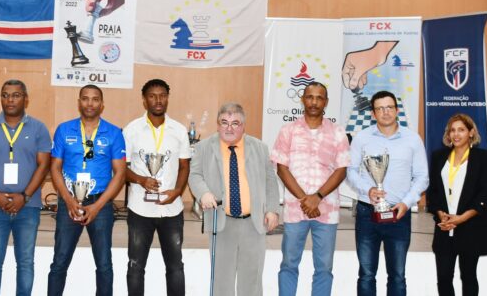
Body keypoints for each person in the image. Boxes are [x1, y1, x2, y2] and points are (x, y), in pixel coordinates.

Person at [189, 102, 280, 296]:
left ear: (243, 126)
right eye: (224, 122)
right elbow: (194, 175)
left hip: (254, 223)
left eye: (235, 123)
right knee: (222, 282)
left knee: (252, 282)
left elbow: (271, 180)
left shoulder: (260, 147)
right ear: (217, 124)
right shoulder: (204, 147)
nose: (229, 128)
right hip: (221, 223)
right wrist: (203, 192)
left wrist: (272, 209)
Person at [0, 79, 52, 296]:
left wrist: (24, 197)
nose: (10, 99)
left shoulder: (39, 128)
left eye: (16, 95)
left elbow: (44, 165)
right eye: (5, 95)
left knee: (25, 263)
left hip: (28, 207)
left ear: (26, 99)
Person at [271, 82, 350, 296]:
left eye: (319, 97)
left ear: (326, 102)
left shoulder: (338, 132)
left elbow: (341, 170)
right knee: (288, 264)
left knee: (324, 268)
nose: (314, 102)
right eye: (310, 97)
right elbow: (281, 168)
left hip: (327, 211)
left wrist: (317, 197)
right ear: (302, 99)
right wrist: (305, 199)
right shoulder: (288, 131)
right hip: (295, 210)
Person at [346, 90, 428, 296]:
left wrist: (407, 203)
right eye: (380, 108)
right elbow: (350, 171)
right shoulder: (362, 138)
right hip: (367, 213)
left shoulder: (412, 139)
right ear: (373, 114)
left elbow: (422, 177)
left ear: (397, 110)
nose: (385, 112)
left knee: (398, 275)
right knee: (366, 274)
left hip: (399, 213)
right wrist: (368, 190)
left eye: (389, 107)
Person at [47, 85, 127, 296]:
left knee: (104, 264)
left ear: (102, 104)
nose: (89, 103)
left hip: (100, 204)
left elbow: (120, 173)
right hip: (69, 203)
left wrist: (97, 206)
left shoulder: (114, 133)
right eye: (85, 99)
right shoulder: (64, 130)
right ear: (79, 102)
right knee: (59, 262)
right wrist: (68, 199)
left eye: (94, 99)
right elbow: (54, 167)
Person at [122, 79, 191, 295]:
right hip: (140, 209)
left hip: (171, 210)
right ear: (144, 100)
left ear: (168, 98)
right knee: (135, 266)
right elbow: (120, 169)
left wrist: (178, 191)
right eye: (152, 95)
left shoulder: (179, 130)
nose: (158, 100)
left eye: (162, 95)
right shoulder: (131, 130)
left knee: (175, 267)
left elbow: (184, 166)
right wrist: (141, 180)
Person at [424, 114, 487, 296]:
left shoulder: (485, 158)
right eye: (452, 130)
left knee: (469, 277)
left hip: (471, 227)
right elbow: (433, 192)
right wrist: (442, 215)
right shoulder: (438, 156)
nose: (456, 134)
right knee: (444, 278)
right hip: (444, 226)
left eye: (461, 130)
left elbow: (485, 195)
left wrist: (461, 219)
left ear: (471, 133)